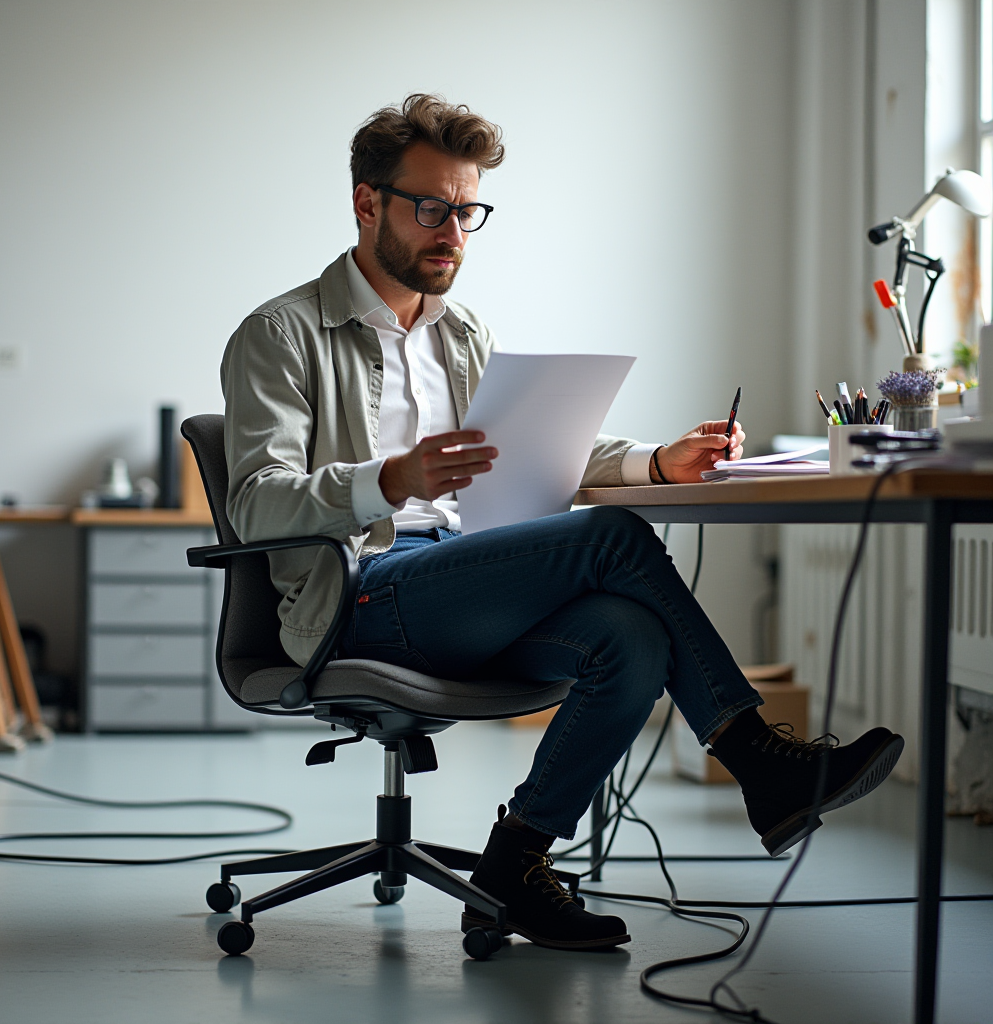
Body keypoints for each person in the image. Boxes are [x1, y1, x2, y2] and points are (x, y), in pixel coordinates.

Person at [221, 94, 904, 952]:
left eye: (469, 211)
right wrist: (388, 479)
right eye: (433, 208)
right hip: (359, 598)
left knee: (629, 637)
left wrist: (657, 461)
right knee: (612, 540)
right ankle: (757, 757)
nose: (454, 232)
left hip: (463, 586)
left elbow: (536, 450)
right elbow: (254, 502)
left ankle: (513, 867)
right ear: (368, 203)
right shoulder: (280, 334)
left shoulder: (460, 332)